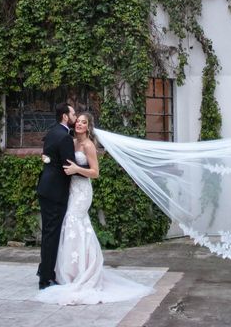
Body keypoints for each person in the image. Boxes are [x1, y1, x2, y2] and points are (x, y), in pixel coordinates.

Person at [35, 112, 154, 305]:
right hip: (69, 190)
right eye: (78, 121)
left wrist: (77, 170)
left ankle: (84, 270)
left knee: (74, 222)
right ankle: (67, 270)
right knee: (67, 226)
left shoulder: (89, 145)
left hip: (82, 192)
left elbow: (95, 172)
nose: (80, 124)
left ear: (89, 126)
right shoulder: (70, 141)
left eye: (84, 122)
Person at [37, 102, 76, 290]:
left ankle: (43, 270)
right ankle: (46, 279)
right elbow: (70, 168)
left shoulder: (52, 132)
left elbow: (47, 158)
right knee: (52, 234)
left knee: (48, 233)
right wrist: (90, 170)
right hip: (55, 192)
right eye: (73, 114)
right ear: (65, 117)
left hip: (46, 188)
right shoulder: (65, 138)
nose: (75, 118)